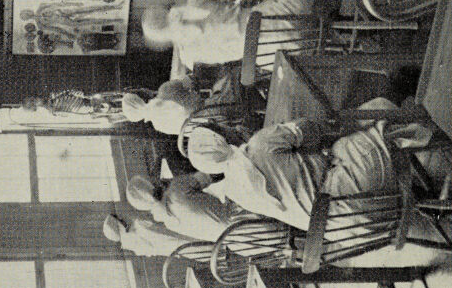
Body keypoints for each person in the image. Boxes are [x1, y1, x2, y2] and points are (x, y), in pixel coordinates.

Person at [186, 99, 434, 232]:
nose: (227, 127)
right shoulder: (259, 144)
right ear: (222, 137)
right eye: (221, 128)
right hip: (356, 192)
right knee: (375, 110)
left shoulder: (236, 191)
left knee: (342, 150)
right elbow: (315, 130)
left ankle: (413, 195)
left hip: (355, 228)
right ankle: (437, 129)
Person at [140, 0, 315, 70]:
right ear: (164, 10)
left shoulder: (190, 56)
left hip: (284, 57)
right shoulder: (196, 2)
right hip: (285, 16)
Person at [125, 172, 236, 243]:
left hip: (237, 242)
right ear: (151, 184)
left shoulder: (168, 224)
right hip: (240, 215)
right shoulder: (176, 188)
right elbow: (210, 175)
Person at [121, 80, 202, 136]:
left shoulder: (158, 127)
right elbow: (191, 79)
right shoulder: (164, 90)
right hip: (205, 110)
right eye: (139, 88)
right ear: (143, 94)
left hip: (204, 130)